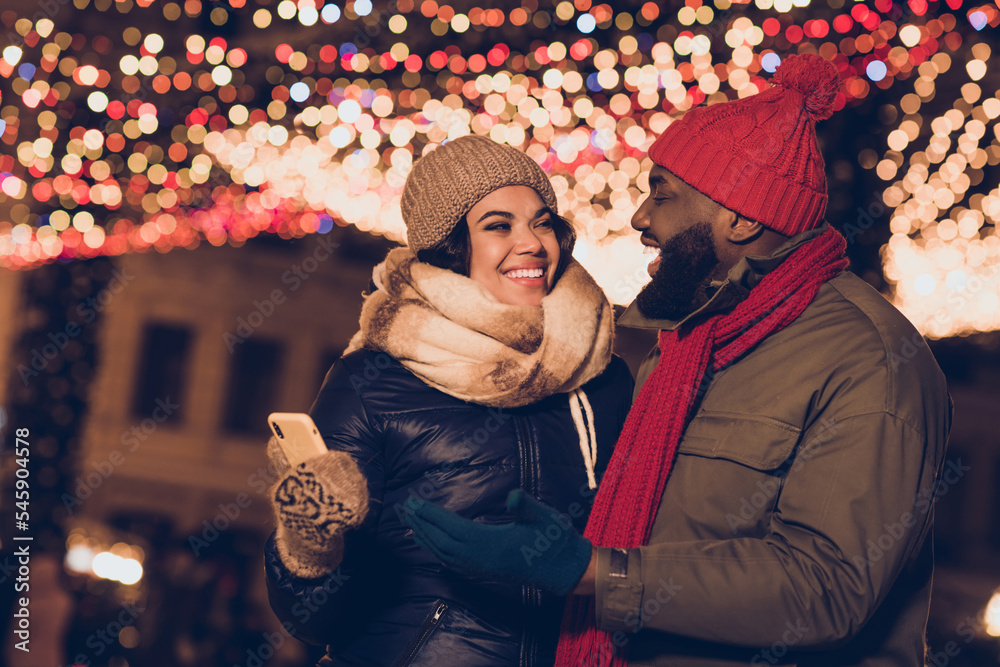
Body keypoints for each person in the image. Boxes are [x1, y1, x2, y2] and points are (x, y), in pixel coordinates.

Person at [402, 54, 952, 666]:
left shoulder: (870, 360)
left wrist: (594, 574)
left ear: (740, 216)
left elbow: (826, 589)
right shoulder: (692, 344)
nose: (639, 218)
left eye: (660, 194)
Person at [263, 134, 635, 666]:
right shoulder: (373, 379)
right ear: (451, 246)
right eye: (498, 226)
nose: (531, 242)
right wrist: (309, 546)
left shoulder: (602, 376)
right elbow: (316, 619)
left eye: (543, 222)